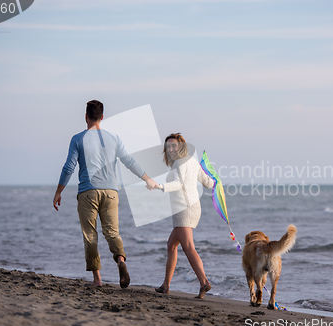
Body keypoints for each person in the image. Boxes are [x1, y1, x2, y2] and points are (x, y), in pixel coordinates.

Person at [53, 100, 158, 288]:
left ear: (85, 116)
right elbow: (129, 161)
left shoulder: (78, 139)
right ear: (102, 117)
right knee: (112, 232)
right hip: (111, 192)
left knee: (90, 235)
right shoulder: (114, 138)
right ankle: (121, 261)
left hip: (88, 192)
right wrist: (147, 179)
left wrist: (58, 192)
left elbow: (69, 167)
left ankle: (97, 279)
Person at [152, 133, 215, 299]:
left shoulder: (180, 163)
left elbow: (178, 183)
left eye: (174, 146)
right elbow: (209, 183)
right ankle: (166, 285)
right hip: (192, 208)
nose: (171, 149)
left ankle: (204, 282)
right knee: (171, 245)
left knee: (188, 247)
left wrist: (160, 186)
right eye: (168, 147)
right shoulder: (192, 162)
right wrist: (216, 179)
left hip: (184, 209)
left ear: (181, 146)